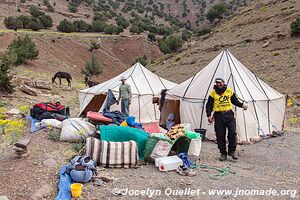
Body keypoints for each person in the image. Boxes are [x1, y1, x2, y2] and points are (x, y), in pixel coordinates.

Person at [206, 78, 247, 161]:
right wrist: (209, 115)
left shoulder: (229, 91)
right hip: (218, 115)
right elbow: (209, 104)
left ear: (224, 83)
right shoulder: (213, 93)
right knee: (220, 135)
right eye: (217, 83)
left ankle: (231, 151)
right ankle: (223, 153)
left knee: (232, 133)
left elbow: (234, 101)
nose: (219, 84)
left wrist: (242, 105)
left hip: (229, 114)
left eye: (220, 83)